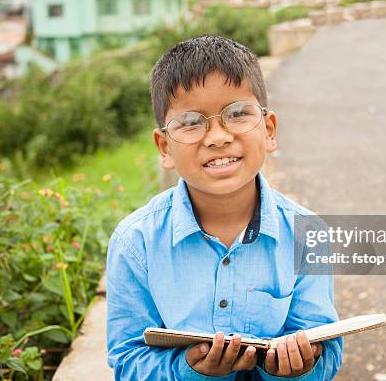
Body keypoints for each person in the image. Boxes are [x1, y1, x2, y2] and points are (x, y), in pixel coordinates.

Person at [106, 35, 343, 380]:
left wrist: (301, 367)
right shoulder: (135, 243)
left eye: (237, 114)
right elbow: (127, 361)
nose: (217, 137)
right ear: (164, 148)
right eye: (190, 122)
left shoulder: (307, 233)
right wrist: (190, 370)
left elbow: (328, 352)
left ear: (269, 130)